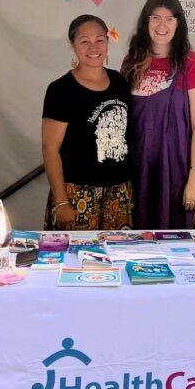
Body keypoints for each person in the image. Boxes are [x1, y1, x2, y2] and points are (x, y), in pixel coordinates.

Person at [122, 0, 195, 229]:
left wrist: (194, 176)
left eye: (169, 19)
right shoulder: (131, 62)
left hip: (175, 172)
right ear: (146, 21)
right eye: (155, 18)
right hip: (135, 171)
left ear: (178, 23)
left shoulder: (192, 64)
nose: (162, 25)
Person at [42, 15, 133, 230]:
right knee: (78, 259)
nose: (93, 47)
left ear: (108, 43)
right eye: (85, 41)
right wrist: (61, 201)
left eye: (100, 40)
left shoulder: (120, 83)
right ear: (73, 45)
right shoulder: (61, 90)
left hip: (118, 193)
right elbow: (50, 149)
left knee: (117, 258)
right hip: (77, 194)